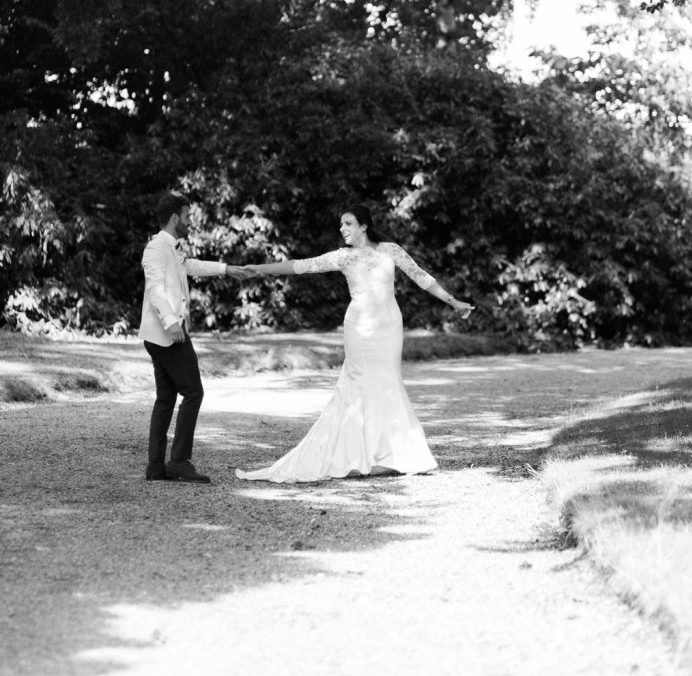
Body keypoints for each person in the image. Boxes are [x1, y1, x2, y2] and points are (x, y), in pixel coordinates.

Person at [235, 204, 474, 484]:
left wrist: (453, 301)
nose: (342, 229)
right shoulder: (343, 257)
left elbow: (422, 277)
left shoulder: (391, 250)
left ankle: (392, 455)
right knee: (357, 384)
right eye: (341, 225)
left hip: (388, 327)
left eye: (348, 223)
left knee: (388, 383)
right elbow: (300, 266)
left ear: (364, 225)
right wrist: (260, 270)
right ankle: (356, 454)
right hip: (359, 328)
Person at [139, 191, 248, 483]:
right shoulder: (156, 249)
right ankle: (178, 462)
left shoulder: (171, 247)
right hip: (168, 333)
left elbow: (190, 266)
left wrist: (227, 269)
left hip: (162, 334)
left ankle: (156, 467)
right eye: (187, 216)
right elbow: (155, 289)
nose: (190, 221)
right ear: (175, 218)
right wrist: (171, 321)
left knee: (166, 397)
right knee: (193, 391)